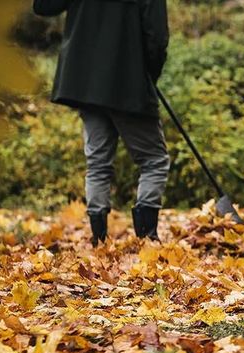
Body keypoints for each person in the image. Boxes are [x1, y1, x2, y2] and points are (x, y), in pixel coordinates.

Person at [33, 0, 170, 244]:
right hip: (128, 82)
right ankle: (147, 240)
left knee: (97, 163)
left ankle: (99, 241)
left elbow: (44, 5)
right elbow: (157, 37)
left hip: (86, 84)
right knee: (153, 160)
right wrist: (148, 75)